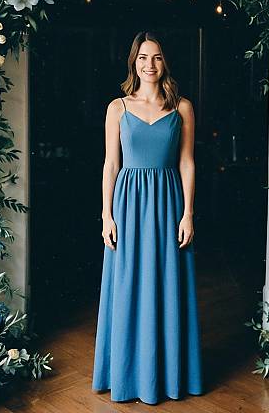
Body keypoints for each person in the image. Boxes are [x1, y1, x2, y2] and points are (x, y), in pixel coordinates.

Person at [91, 30, 204, 404]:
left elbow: (187, 162)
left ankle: (169, 376)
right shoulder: (117, 108)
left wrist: (188, 213)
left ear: (164, 62)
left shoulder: (182, 107)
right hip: (128, 204)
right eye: (142, 57)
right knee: (126, 285)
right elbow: (110, 164)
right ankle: (125, 376)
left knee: (168, 284)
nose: (149, 64)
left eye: (156, 57)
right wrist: (106, 214)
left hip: (169, 202)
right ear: (133, 62)